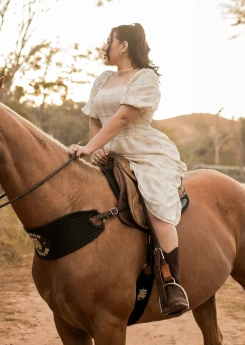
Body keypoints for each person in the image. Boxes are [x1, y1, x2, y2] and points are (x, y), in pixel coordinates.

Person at [68, 23, 189, 314]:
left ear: (123, 46)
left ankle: (172, 282)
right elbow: (95, 118)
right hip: (109, 151)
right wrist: (96, 149)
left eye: (109, 41)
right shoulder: (103, 79)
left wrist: (87, 147)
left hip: (144, 151)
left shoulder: (146, 78)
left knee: (155, 200)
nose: (104, 46)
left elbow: (122, 119)